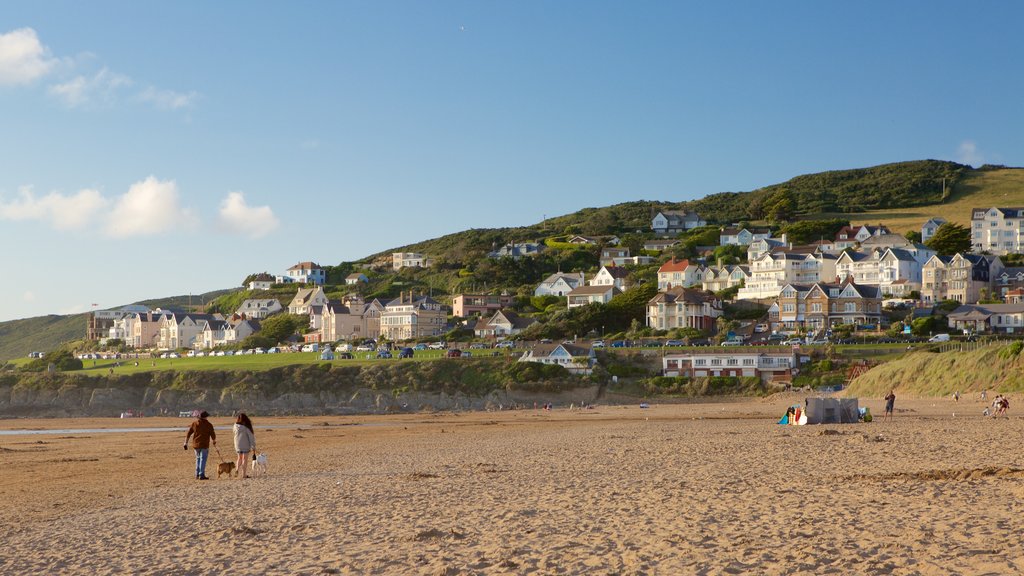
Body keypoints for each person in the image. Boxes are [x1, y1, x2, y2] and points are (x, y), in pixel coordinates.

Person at [184, 410, 216, 480]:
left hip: (196, 445)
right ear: (205, 417)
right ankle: (201, 475)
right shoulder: (209, 424)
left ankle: (197, 474)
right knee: (203, 459)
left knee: (198, 459)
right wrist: (214, 441)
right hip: (204, 445)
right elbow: (213, 434)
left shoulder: (194, 423)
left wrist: (185, 443)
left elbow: (188, 433)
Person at [233, 413, 256, 479]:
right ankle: (244, 474)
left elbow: (234, 433)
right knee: (244, 459)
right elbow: (251, 438)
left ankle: (237, 469)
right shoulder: (246, 428)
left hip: (237, 444)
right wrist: (253, 446)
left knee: (239, 458)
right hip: (245, 445)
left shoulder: (235, 426)